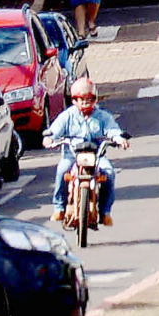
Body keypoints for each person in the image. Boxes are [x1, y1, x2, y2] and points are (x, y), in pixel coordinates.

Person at [43, 78, 127, 228]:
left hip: (96, 156)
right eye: (81, 99)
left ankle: (105, 212)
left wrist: (119, 139)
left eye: (89, 99)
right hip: (72, 155)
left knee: (109, 173)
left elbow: (113, 129)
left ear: (95, 99)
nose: (85, 103)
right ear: (74, 99)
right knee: (62, 170)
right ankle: (59, 208)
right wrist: (50, 138)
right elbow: (55, 130)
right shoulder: (67, 115)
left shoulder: (103, 116)